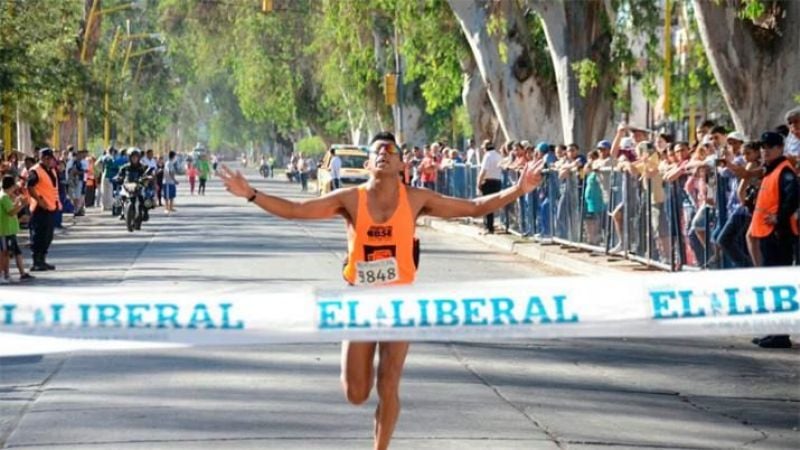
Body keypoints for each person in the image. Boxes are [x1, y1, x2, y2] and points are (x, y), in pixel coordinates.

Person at [219, 131, 542, 450]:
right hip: (359, 299)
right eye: (377, 151)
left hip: (399, 300)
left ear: (402, 164)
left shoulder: (416, 198)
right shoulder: (350, 199)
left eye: (390, 150)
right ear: (368, 164)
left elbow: (473, 207)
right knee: (356, 392)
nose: (383, 154)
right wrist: (251, 193)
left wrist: (519, 188)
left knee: (389, 383)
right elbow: (297, 210)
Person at [749, 132, 798, 349]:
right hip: (767, 234)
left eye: (770, 146)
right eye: (763, 147)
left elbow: (794, 196)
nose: (765, 150)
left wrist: (779, 218)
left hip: (779, 235)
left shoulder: (784, 171)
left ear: (780, 148)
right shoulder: (772, 171)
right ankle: (773, 331)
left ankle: (780, 335)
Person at [26, 148, 61, 271]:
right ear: (44, 158)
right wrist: (39, 201)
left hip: (50, 207)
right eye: (50, 159)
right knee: (38, 235)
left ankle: (43, 259)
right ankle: (36, 261)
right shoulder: (35, 171)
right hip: (39, 208)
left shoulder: (51, 170)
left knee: (48, 235)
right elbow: (29, 187)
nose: (52, 161)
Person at [1, 175, 33, 283]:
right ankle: (3, 274)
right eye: (14, 184)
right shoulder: (4, 197)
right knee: (5, 254)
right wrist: (22, 205)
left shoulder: (7, 196)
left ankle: (19, 273)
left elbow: (11, 208)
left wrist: (18, 203)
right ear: (11, 185)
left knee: (14, 252)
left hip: (10, 230)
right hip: (5, 231)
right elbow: (11, 212)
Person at [475, 140, 503, 234]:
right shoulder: (498, 155)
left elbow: (483, 171)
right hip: (497, 181)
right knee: (492, 204)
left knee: (486, 205)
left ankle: (488, 226)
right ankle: (490, 225)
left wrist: (478, 183)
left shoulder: (487, 156)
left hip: (488, 182)